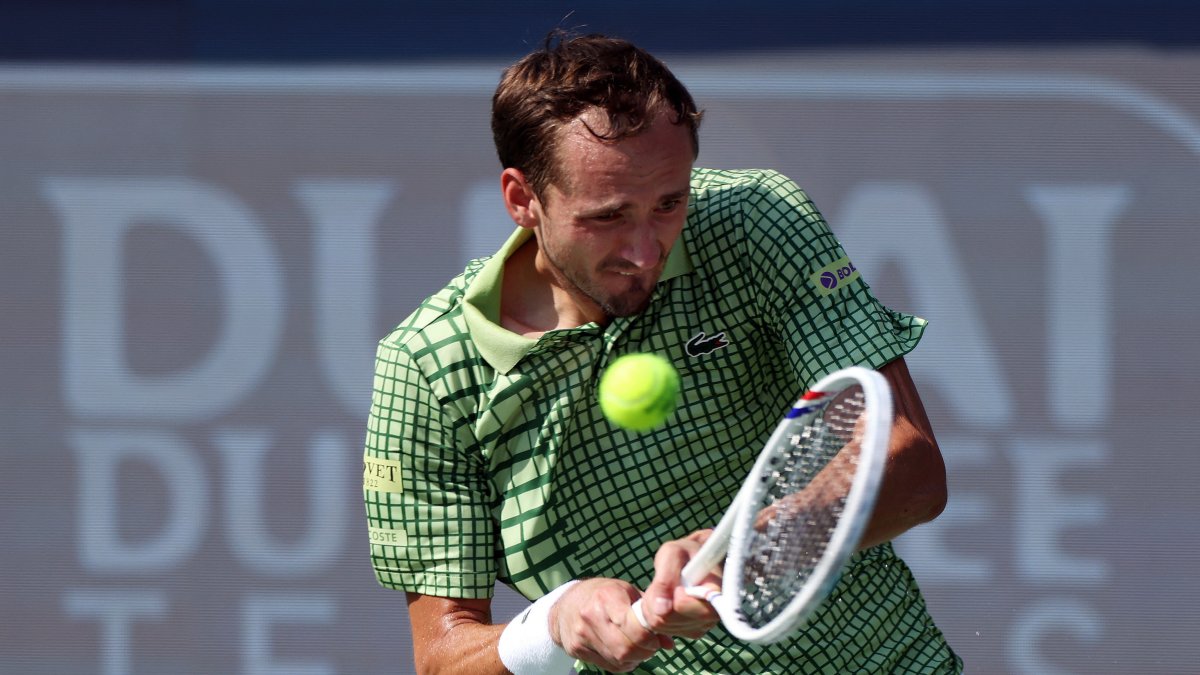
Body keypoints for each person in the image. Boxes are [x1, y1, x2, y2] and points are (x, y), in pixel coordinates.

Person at [362, 31, 962, 674]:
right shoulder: (424, 368)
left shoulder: (755, 222)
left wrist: (741, 555)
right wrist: (555, 623)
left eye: (669, 203)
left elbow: (913, 471)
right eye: (608, 216)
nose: (645, 251)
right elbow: (444, 658)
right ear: (522, 199)